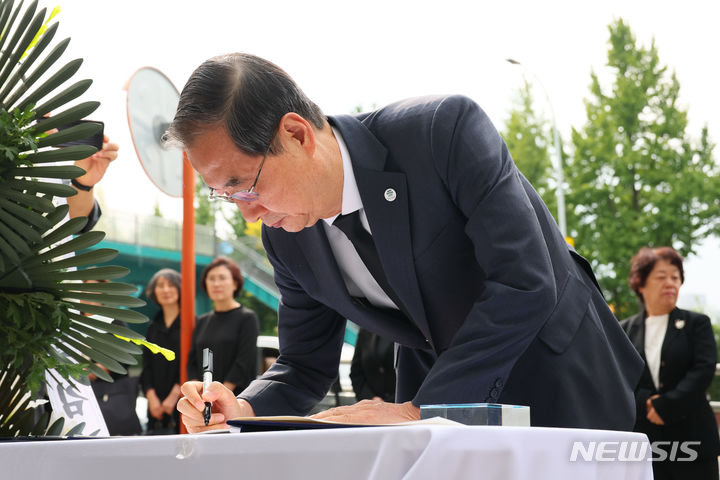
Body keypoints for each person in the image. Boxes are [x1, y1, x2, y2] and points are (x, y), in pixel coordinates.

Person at [168, 53, 644, 432]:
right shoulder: (287, 237)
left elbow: (525, 281)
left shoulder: (442, 132)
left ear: (296, 134)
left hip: (560, 373)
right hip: (433, 408)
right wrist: (243, 409)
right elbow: (304, 363)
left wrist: (422, 409)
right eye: (225, 196)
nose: (248, 213)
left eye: (246, 185)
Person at [621, 247, 719, 479]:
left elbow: (703, 370)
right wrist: (645, 403)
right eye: (661, 276)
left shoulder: (697, 324)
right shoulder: (624, 330)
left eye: (675, 277)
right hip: (646, 441)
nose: (670, 283)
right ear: (641, 284)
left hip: (693, 439)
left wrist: (667, 405)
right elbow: (618, 378)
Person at [187, 257, 259, 396]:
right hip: (204, 401)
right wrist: (200, 395)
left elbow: (244, 362)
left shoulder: (247, 318)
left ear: (235, 284)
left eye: (222, 278)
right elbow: (193, 362)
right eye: (211, 279)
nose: (216, 283)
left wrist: (220, 396)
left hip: (237, 399)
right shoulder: (201, 321)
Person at [140, 268, 182, 434]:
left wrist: (173, 397)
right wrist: (151, 398)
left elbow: (192, 364)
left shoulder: (192, 324)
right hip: (155, 406)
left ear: (180, 288)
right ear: (153, 291)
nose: (165, 290)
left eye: (171, 285)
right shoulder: (152, 327)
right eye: (160, 286)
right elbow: (147, 366)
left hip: (182, 402)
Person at [350, 328, 396, 402]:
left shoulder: (406, 329)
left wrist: (389, 403)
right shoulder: (365, 330)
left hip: (401, 406)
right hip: (372, 406)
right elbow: (356, 373)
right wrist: (371, 398)